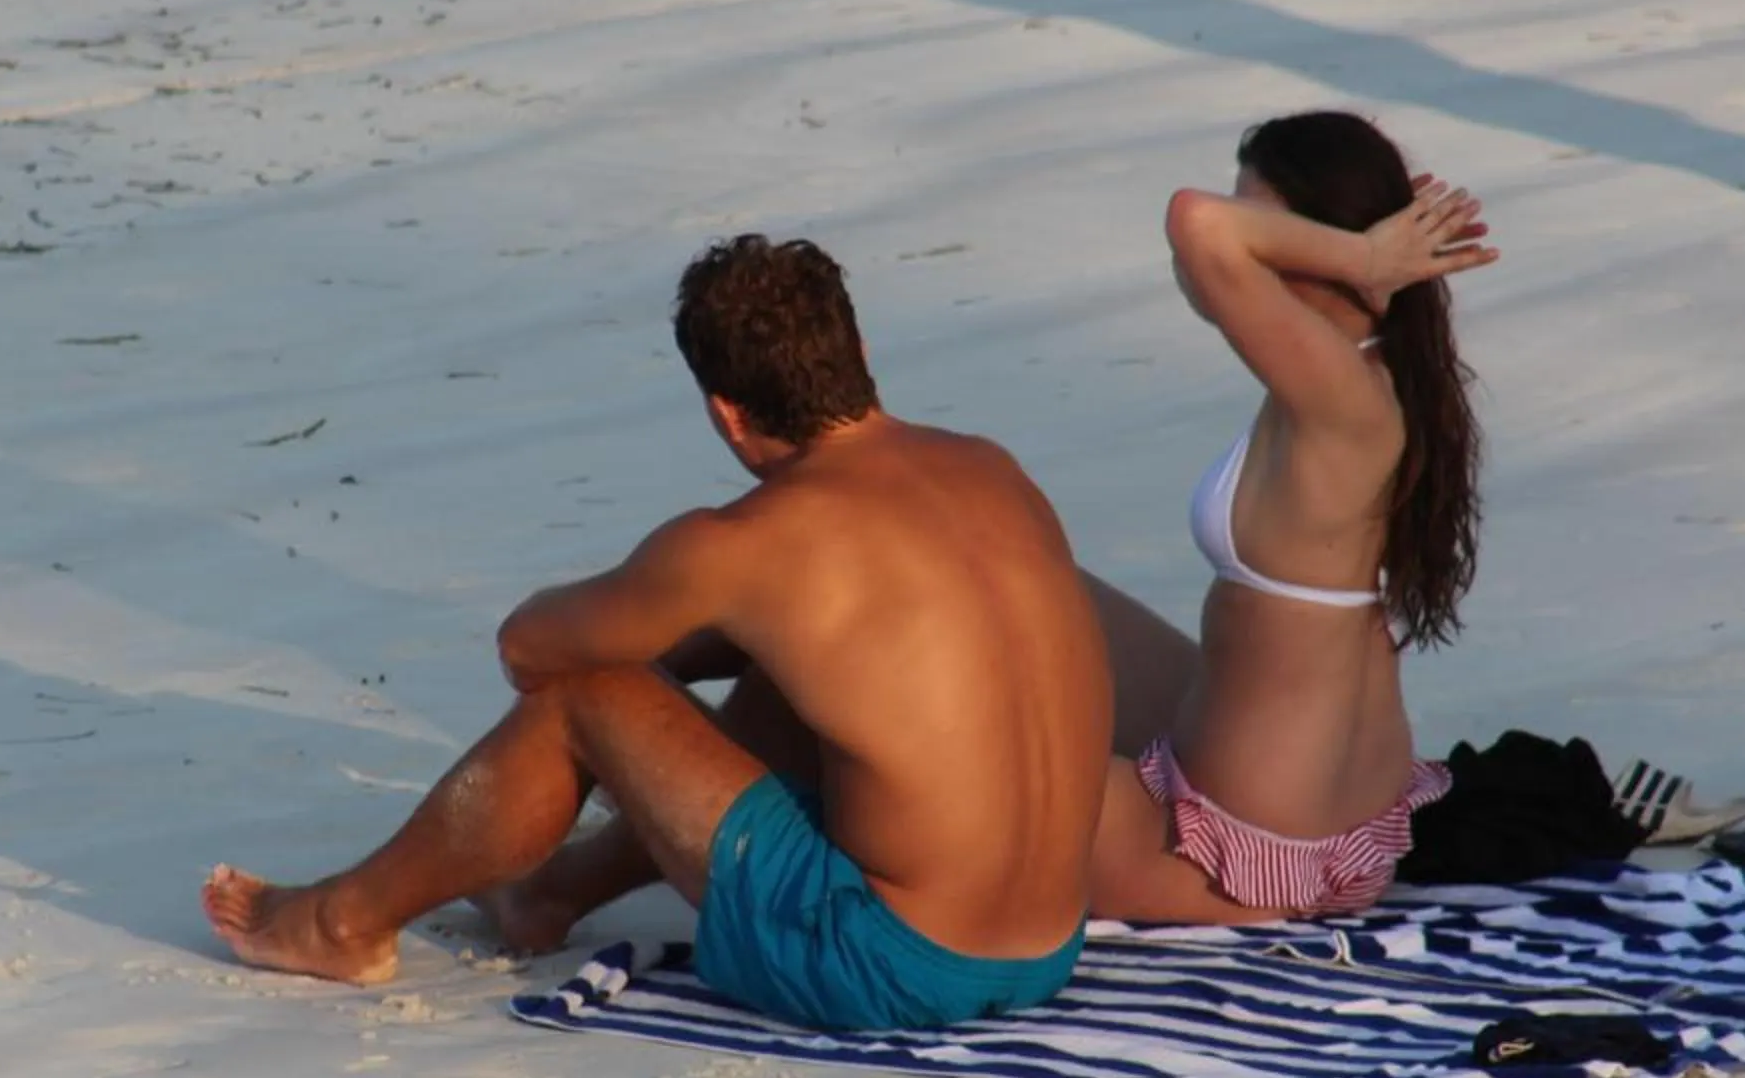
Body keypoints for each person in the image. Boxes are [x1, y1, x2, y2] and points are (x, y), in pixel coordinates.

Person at [203, 234, 1115, 1030]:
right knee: (786, 673)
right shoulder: (993, 469)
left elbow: (533, 651)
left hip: (889, 967)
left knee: (588, 694)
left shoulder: (748, 543)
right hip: (1043, 949)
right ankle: (545, 893)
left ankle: (345, 924)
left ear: (726, 410)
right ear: (860, 351)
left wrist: (667, 622)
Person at [1083, 110, 1497, 924]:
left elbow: (1196, 225)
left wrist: (1368, 255)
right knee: (1028, 584)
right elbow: (1203, 261)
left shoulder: (1338, 392)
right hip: (1325, 820)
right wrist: (1356, 255)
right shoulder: (1364, 365)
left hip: (1238, 853)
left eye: (1268, 228)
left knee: (939, 773)